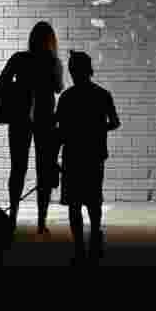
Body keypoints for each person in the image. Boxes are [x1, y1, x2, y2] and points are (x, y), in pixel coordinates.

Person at [0, 21, 64, 233]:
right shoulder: (52, 61)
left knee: (17, 168)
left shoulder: (19, 58)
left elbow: (0, 83)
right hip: (46, 120)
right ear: (50, 40)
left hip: (19, 119)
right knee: (44, 170)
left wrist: (5, 108)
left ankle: (13, 216)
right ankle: (41, 223)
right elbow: (58, 87)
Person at [55, 50, 121, 266]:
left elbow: (59, 132)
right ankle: (94, 241)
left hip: (72, 156)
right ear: (89, 70)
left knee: (74, 204)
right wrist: (98, 129)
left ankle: (79, 249)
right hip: (94, 154)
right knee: (93, 201)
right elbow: (115, 122)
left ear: (73, 72)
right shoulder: (103, 95)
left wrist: (52, 159)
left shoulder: (66, 98)